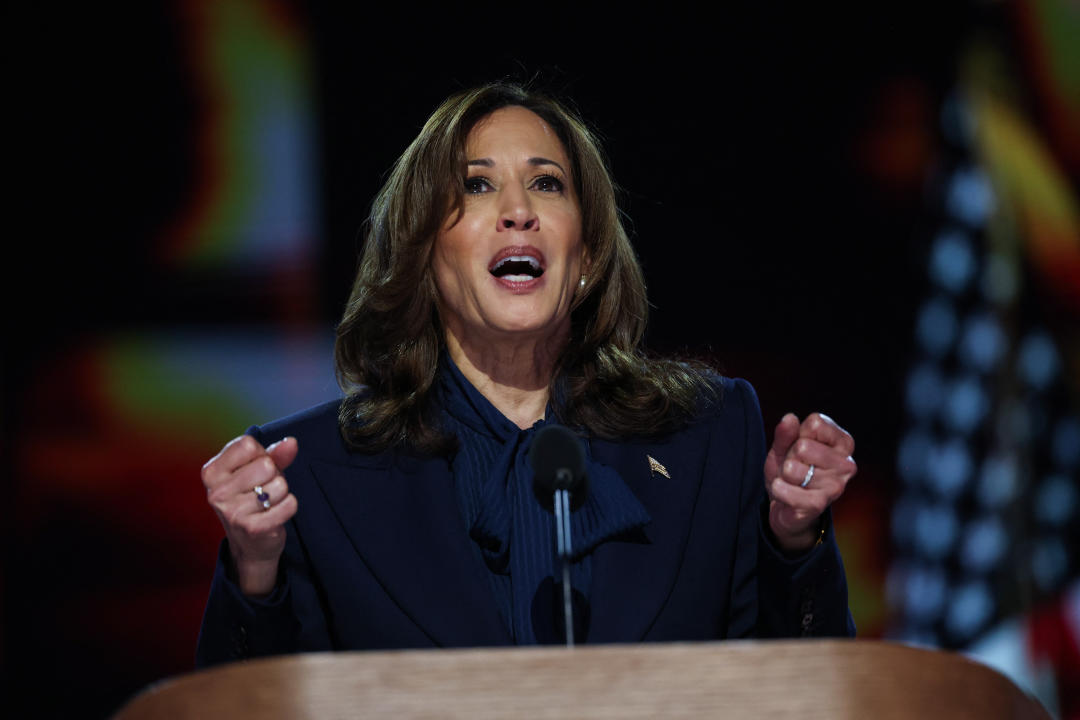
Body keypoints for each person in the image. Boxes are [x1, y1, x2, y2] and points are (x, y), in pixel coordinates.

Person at [195, 82, 858, 666]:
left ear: (588, 254)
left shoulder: (709, 437)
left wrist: (793, 542)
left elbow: (798, 694)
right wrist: (255, 571)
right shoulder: (313, 476)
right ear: (424, 251)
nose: (519, 210)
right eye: (476, 184)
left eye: (547, 182)